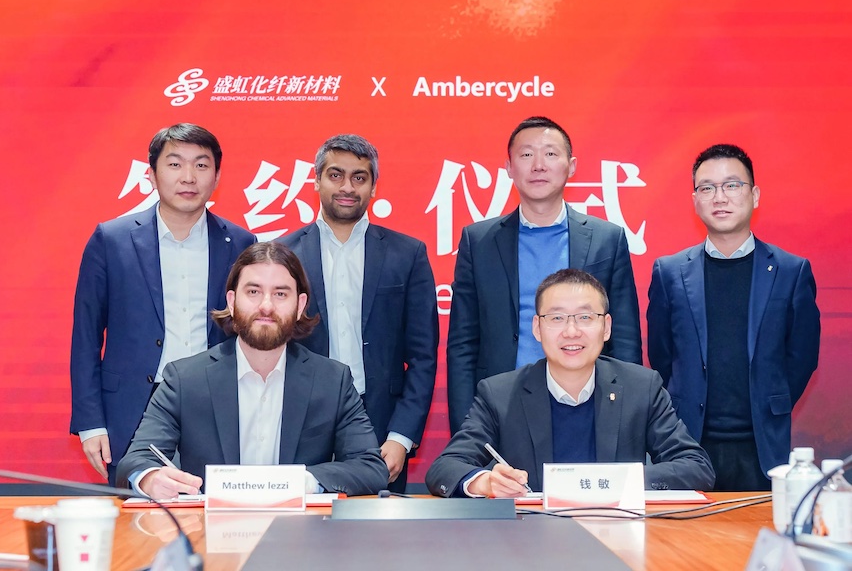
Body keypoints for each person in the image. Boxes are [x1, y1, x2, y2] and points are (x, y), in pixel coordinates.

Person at [116, 242, 389, 498]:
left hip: (301, 537)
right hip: (207, 536)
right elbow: (137, 460)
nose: (266, 306)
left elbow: (370, 468)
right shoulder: (185, 379)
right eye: (253, 292)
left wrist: (302, 482)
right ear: (232, 302)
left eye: (280, 294)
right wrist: (151, 478)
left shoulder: (333, 381)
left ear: (300, 306)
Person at [69, 123, 257, 485]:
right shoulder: (111, 240)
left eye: (201, 165)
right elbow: (86, 337)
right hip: (132, 407)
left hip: (215, 406)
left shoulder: (240, 242)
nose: (188, 177)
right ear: (152, 174)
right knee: (137, 524)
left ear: (217, 176)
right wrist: (91, 422)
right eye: (174, 164)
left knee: (214, 521)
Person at [426, 269, 713, 497]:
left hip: (620, 538)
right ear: (537, 328)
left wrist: (616, 482)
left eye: (586, 317)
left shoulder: (641, 387)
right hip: (530, 541)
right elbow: (445, 468)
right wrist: (485, 482)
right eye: (557, 318)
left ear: (607, 327)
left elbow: (696, 467)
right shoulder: (499, 394)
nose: (572, 331)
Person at [446, 116, 642, 434]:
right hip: (502, 407)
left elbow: (625, 339)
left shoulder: (607, 238)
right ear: (509, 167)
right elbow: (463, 344)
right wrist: (466, 427)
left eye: (550, 153)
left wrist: (627, 417)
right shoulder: (479, 241)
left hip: (588, 405)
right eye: (526, 155)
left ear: (571, 165)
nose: (538, 165)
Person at [647, 144, 820, 490]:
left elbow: (801, 358)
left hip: (762, 446)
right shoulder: (669, 272)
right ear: (695, 200)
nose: (719, 197)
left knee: (756, 539)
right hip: (688, 442)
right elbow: (662, 357)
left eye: (732, 185)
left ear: (754, 195)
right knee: (685, 541)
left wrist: (771, 400)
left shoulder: (791, 271)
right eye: (706, 188)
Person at [279, 134, 439, 492]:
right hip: (300, 419)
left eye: (359, 177)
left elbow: (423, 357)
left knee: (380, 541)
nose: (347, 187)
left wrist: (401, 436)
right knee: (300, 537)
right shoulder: (282, 255)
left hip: (379, 422)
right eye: (335, 175)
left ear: (373, 187)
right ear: (316, 180)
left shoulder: (407, 254)